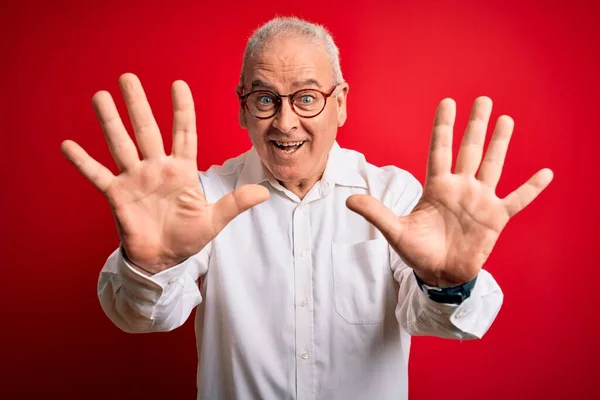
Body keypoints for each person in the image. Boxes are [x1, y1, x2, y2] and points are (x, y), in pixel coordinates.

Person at [60, 16, 553, 400]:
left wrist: (448, 284)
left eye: (308, 98)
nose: (285, 121)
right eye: (265, 99)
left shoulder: (395, 196)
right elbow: (143, 316)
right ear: (241, 107)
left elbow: (446, 320)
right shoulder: (201, 198)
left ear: (340, 103)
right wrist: (148, 266)